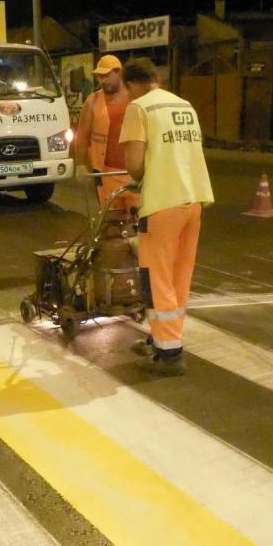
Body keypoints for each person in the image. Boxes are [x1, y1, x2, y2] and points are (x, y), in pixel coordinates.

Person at [118, 57, 214, 376]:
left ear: (132, 85)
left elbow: (134, 165)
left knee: (156, 278)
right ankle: (163, 338)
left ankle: (170, 355)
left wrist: (140, 175)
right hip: (193, 200)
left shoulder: (139, 108)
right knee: (178, 276)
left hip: (161, 203)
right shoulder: (184, 105)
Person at [73, 55, 138, 213]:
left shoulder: (136, 97)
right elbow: (82, 136)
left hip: (135, 174)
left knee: (139, 223)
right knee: (111, 221)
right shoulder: (93, 101)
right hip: (105, 173)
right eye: (100, 76)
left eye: (107, 75)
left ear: (119, 73)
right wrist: (80, 164)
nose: (103, 80)